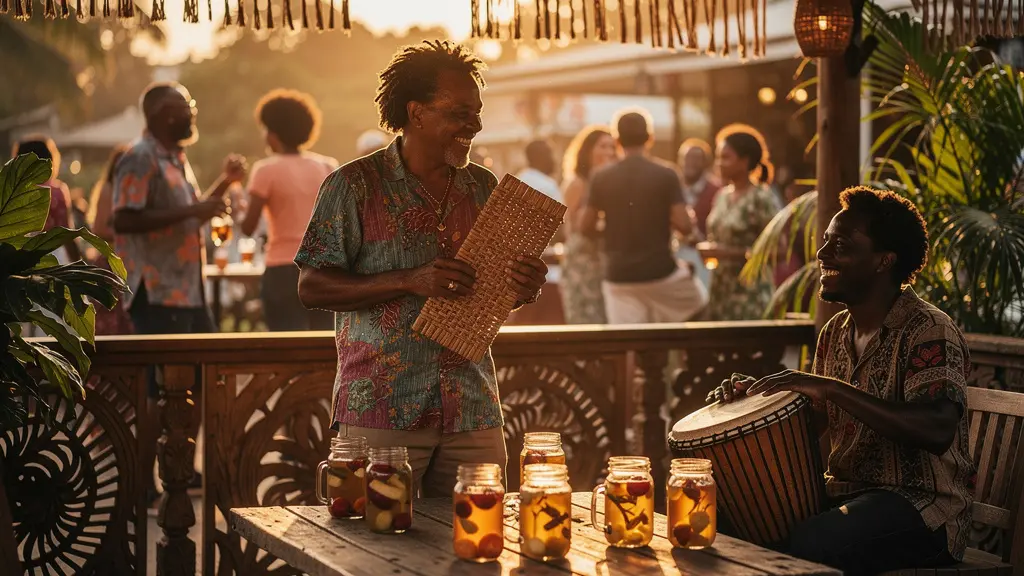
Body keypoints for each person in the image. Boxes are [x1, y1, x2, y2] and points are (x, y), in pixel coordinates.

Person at [294, 40, 547, 496]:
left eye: (477, 112)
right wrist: (410, 280)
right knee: (368, 553)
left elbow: (496, 287)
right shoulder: (352, 185)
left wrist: (525, 286)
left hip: (472, 409)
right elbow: (311, 287)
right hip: (382, 412)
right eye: (461, 113)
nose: (476, 124)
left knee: (479, 549)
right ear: (416, 113)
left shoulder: (483, 187)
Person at [708, 186, 974, 576]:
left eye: (841, 245)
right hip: (846, 495)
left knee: (813, 541)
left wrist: (832, 389)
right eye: (825, 241)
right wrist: (756, 402)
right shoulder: (835, 332)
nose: (821, 254)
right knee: (732, 519)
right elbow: (813, 424)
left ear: (884, 261)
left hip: (924, 510)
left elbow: (937, 429)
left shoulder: (928, 328)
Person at [112, 81, 246, 503]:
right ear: (161, 115)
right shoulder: (139, 157)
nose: (191, 112)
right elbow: (125, 220)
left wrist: (222, 186)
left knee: (206, 380)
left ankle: (182, 468)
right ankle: (142, 479)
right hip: (157, 292)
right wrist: (195, 209)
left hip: (190, 291)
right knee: (158, 391)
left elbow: (189, 215)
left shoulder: (175, 159)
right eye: (183, 107)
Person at [577, 109, 706, 324]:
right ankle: (693, 358)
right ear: (650, 138)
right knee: (701, 308)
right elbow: (684, 225)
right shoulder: (666, 174)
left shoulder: (601, 177)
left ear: (617, 141)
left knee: (628, 341)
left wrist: (611, 228)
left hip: (618, 276)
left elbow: (583, 226)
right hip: (661, 273)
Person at [239, 89, 338, 332]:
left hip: (281, 269)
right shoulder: (327, 166)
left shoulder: (265, 170)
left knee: (285, 343)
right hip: (323, 267)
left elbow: (248, 227)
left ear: (273, 135)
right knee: (323, 341)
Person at [701, 124, 781, 320]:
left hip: (750, 295)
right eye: (719, 157)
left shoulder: (761, 198)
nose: (719, 163)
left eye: (726, 157)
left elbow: (777, 250)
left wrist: (727, 253)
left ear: (744, 161)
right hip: (721, 293)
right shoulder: (721, 196)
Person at [559, 126, 617, 324]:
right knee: (584, 322)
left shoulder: (611, 183)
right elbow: (573, 228)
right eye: (603, 146)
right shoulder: (577, 183)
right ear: (588, 150)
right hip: (581, 266)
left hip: (605, 264)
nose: (609, 152)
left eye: (612, 147)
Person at [86, 144, 134, 335]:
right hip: (111, 262)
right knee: (110, 321)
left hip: (129, 262)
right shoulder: (108, 188)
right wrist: (131, 231)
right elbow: (98, 228)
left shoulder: (131, 190)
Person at [12, 137, 82, 264]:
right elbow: (66, 232)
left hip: (18, 256)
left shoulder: (13, 192)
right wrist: (79, 263)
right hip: (53, 257)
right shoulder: (56, 191)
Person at [677, 138, 721, 290]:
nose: (690, 163)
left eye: (696, 159)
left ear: (705, 163)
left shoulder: (716, 191)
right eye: (687, 158)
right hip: (678, 255)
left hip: (705, 258)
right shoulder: (675, 188)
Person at [515, 139, 562, 204]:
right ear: (542, 159)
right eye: (550, 155)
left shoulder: (517, 182)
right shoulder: (548, 186)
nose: (554, 161)